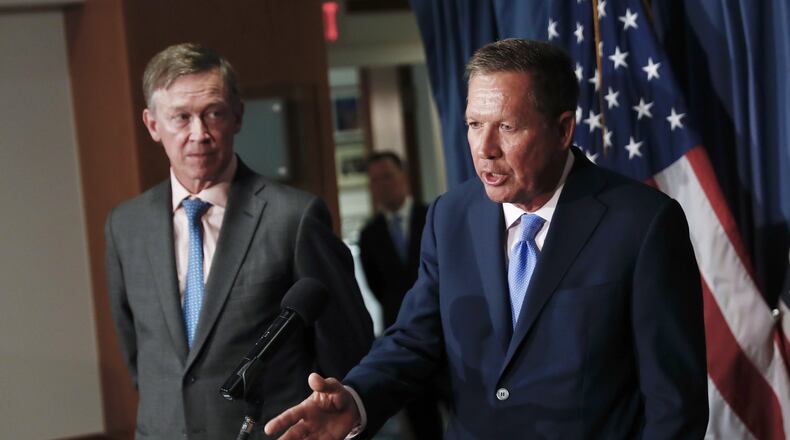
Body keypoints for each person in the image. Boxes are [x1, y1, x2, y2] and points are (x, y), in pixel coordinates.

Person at [264, 39, 708, 439]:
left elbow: (673, 404)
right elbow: (414, 339)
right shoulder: (450, 216)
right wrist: (355, 399)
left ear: (563, 130)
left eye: (507, 127)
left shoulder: (642, 224)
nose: (484, 148)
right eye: (474, 124)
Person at [104, 43, 373, 440]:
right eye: (181, 117)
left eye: (213, 113)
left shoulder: (294, 217)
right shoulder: (125, 225)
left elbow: (346, 347)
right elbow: (135, 353)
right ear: (153, 125)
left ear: (238, 116)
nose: (199, 134)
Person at [357, 152, 443, 439]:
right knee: (422, 422)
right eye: (374, 181)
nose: (382, 185)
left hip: (448, 332)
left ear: (403, 176)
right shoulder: (370, 235)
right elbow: (377, 287)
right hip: (403, 337)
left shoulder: (433, 216)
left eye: (387, 177)